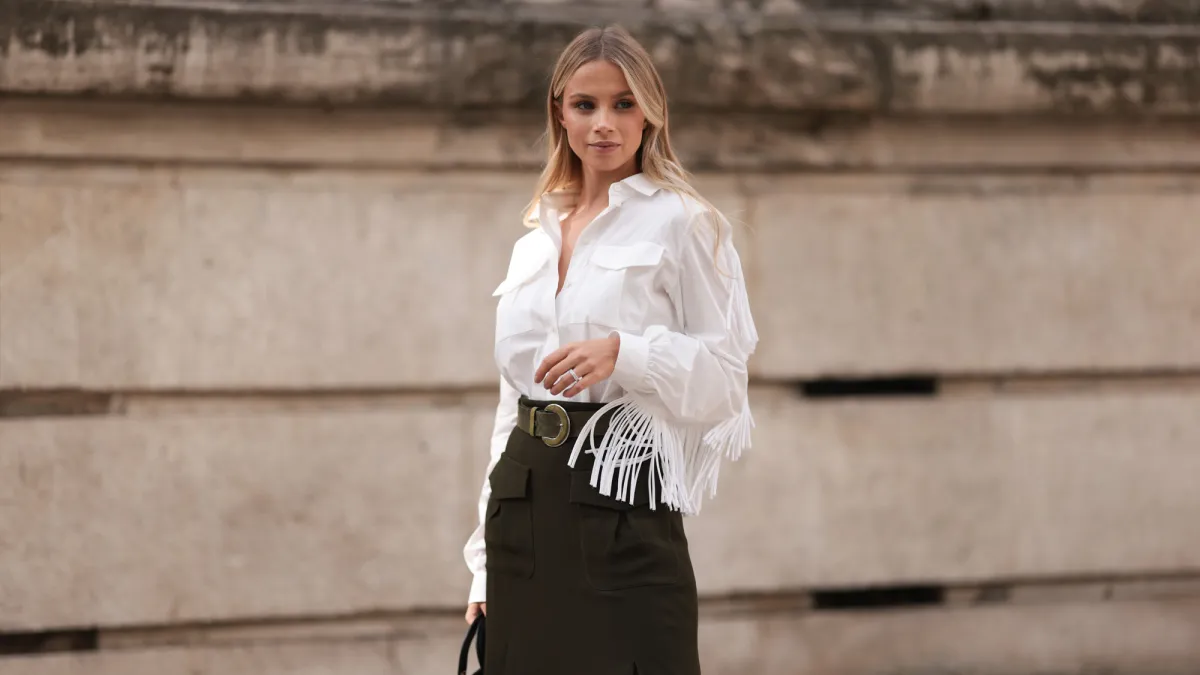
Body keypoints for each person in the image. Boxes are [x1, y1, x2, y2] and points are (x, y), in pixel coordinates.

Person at [462, 24, 758, 675]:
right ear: (559, 114)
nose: (604, 123)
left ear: (651, 113)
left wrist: (628, 354)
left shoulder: (685, 222)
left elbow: (726, 382)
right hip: (523, 506)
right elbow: (512, 403)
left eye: (624, 103)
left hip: (622, 496)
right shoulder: (532, 243)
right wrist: (482, 565)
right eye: (585, 104)